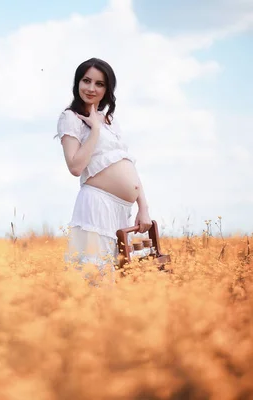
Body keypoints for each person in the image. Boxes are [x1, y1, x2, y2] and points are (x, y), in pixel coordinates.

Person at [54, 57, 152, 285]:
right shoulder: (70, 117)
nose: (91, 88)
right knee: (95, 277)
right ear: (77, 83)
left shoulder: (110, 120)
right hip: (96, 205)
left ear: (107, 89)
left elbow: (128, 163)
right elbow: (75, 167)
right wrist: (95, 129)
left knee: (117, 277)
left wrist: (143, 207)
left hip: (122, 209)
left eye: (99, 83)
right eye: (86, 81)